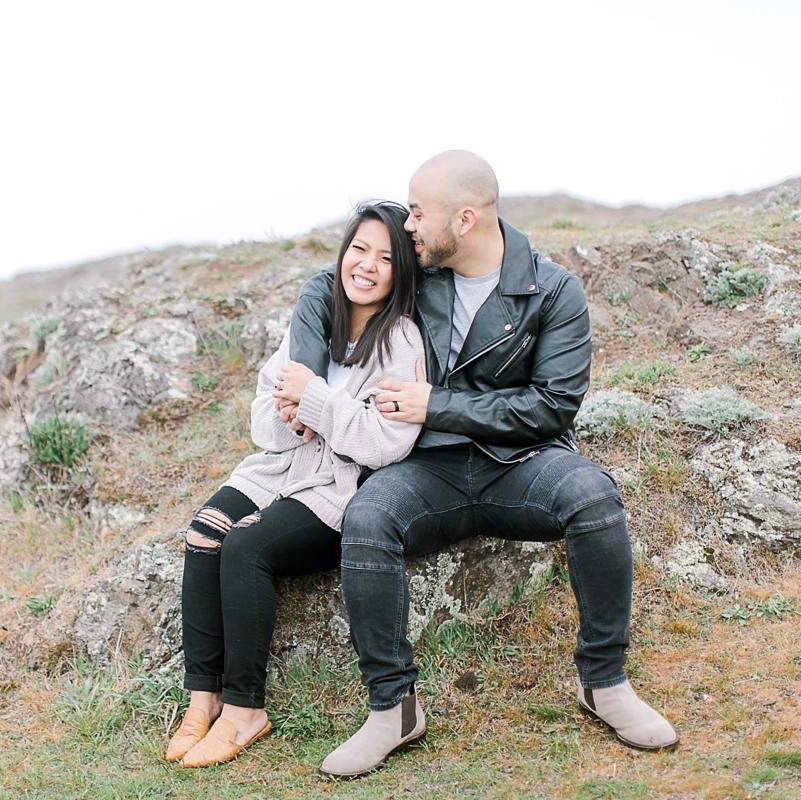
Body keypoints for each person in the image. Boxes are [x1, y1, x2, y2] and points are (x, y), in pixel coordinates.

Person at [284, 151, 679, 779]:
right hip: (425, 467)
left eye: (418, 213)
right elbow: (325, 285)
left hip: (518, 463)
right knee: (368, 516)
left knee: (594, 497)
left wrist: (438, 404)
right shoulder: (418, 271)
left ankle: (604, 682)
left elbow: (551, 408)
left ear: (463, 219)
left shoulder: (553, 290)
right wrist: (304, 377)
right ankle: (392, 709)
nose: (407, 226)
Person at [165, 201, 426, 768]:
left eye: (385, 258)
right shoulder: (314, 317)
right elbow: (264, 413)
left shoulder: (401, 340)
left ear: (401, 271)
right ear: (343, 253)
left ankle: (244, 710)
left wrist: (317, 401)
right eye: (359, 249)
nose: (367, 266)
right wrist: (290, 414)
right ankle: (202, 698)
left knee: (246, 545)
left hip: (338, 489)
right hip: (278, 469)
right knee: (204, 534)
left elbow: (387, 442)